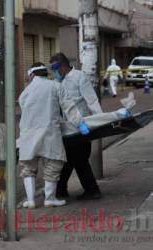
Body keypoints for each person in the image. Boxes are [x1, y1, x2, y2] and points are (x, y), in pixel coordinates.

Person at [18, 62, 90, 209]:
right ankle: (50, 199)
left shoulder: (26, 91)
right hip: (49, 133)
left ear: (32, 75)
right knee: (52, 166)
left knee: (29, 168)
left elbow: (24, 109)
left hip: (28, 134)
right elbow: (69, 108)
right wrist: (80, 124)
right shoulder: (56, 86)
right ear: (46, 73)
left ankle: (31, 201)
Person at [50, 52, 103, 200]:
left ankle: (90, 191)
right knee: (70, 159)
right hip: (67, 129)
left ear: (61, 66)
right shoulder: (57, 82)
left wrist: (101, 121)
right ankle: (64, 190)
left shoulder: (79, 77)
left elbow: (92, 101)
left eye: (54, 69)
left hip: (82, 127)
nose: (53, 73)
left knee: (78, 159)